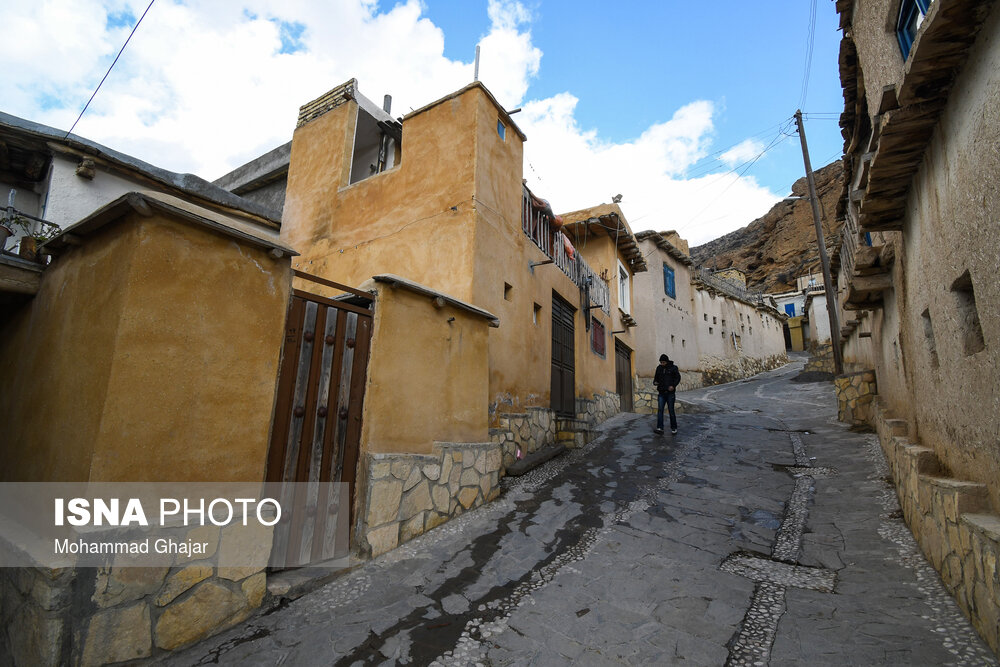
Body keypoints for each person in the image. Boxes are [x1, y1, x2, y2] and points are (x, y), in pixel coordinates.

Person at [653, 354, 681, 435]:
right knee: (660, 410)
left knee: (671, 411)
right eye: (661, 362)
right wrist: (655, 382)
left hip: (670, 394)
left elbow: (678, 378)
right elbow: (655, 378)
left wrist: (673, 385)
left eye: (663, 362)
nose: (662, 364)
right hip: (661, 393)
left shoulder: (673, 368)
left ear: (667, 361)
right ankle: (660, 428)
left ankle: (674, 428)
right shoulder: (659, 368)